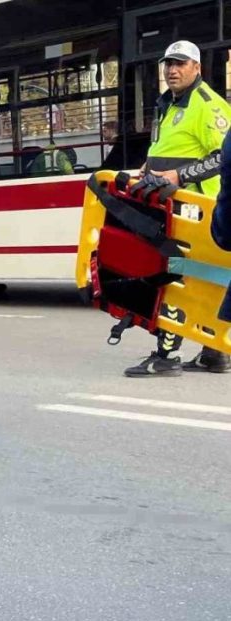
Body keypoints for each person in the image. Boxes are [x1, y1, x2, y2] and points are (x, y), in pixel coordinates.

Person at [125, 40, 231, 377]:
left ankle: (166, 356)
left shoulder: (208, 106)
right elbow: (166, 148)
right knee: (202, 279)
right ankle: (213, 352)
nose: (172, 69)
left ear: (197, 68)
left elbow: (221, 157)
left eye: (181, 63)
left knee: (172, 275)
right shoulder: (168, 104)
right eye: (168, 63)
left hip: (195, 209)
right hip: (172, 205)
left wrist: (176, 176)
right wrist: (145, 170)